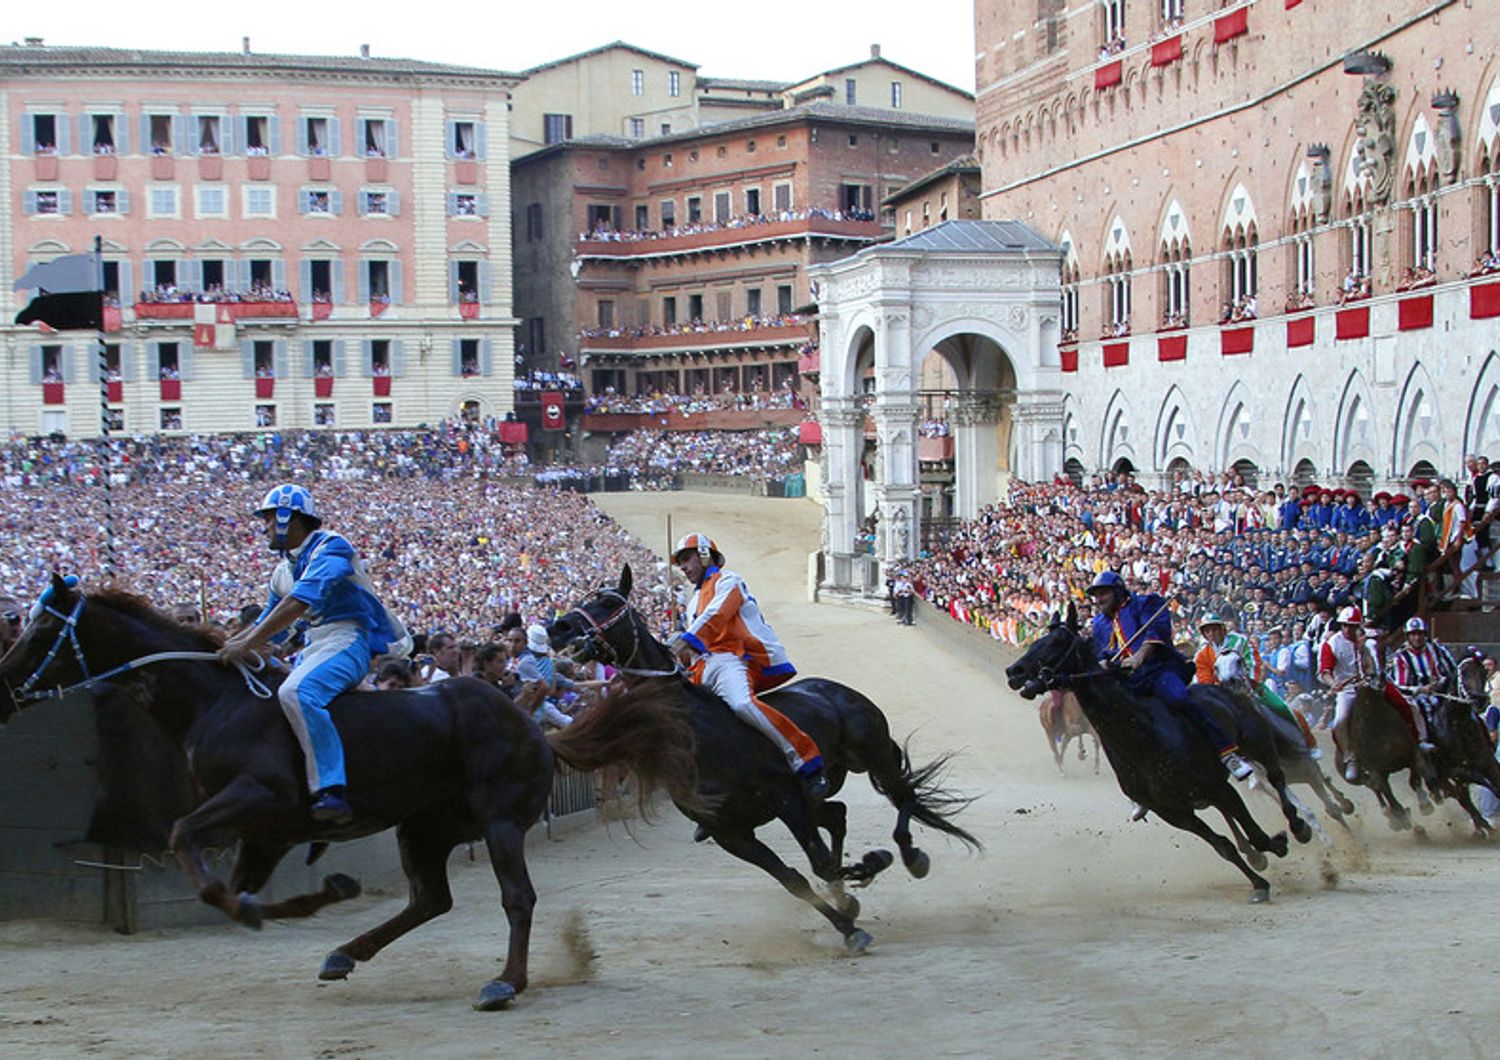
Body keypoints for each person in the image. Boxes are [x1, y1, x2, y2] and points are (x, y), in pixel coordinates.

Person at [219, 483, 410, 826]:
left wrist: (244, 644)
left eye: (266, 519)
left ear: (284, 518)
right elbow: (273, 626)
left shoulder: (332, 546)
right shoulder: (282, 571)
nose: (262, 528)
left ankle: (332, 792)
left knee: (297, 692)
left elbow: (301, 602)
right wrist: (231, 643)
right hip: (315, 646)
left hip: (348, 640)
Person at [669, 532, 828, 798]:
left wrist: (682, 641)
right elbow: (692, 644)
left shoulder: (729, 580)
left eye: (687, 559)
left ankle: (806, 761)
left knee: (742, 704)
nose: (683, 567)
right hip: (703, 668)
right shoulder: (692, 599)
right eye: (681, 562)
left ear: (705, 555)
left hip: (731, 658)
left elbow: (716, 616)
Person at [1083, 571, 1254, 782]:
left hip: (1157, 671)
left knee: (1179, 698)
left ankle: (1228, 753)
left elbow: (1156, 631)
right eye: (1096, 595)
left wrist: (1140, 656)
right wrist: (1102, 663)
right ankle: (1137, 779)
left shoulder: (1144, 603)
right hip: (1128, 680)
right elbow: (1104, 652)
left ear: (1117, 591)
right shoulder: (1099, 623)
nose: (1098, 599)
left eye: (1103, 593)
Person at [1195, 613, 1321, 758]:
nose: (1212, 634)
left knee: (1281, 707)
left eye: (1214, 629)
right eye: (1207, 631)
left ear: (1222, 629)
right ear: (1204, 634)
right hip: (1223, 695)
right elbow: (1204, 678)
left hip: (1249, 688)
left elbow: (1254, 663)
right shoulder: (1202, 654)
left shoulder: (1240, 641)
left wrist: (1248, 683)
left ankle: (1309, 743)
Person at [1386, 616, 1450, 753]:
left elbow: (1448, 670)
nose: (1417, 638)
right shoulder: (1400, 657)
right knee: (1421, 706)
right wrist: (1420, 689)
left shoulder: (1435, 649)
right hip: (1415, 695)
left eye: (1420, 634)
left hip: (1440, 691)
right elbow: (1399, 685)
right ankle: (1423, 739)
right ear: (1408, 636)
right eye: (1414, 634)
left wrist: (1439, 682)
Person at [513, 624, 577, 729]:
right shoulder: (550, 664)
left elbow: (544, 688)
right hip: (542, 709)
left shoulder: (524, 661)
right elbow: (551, 691)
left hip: (526, 709)